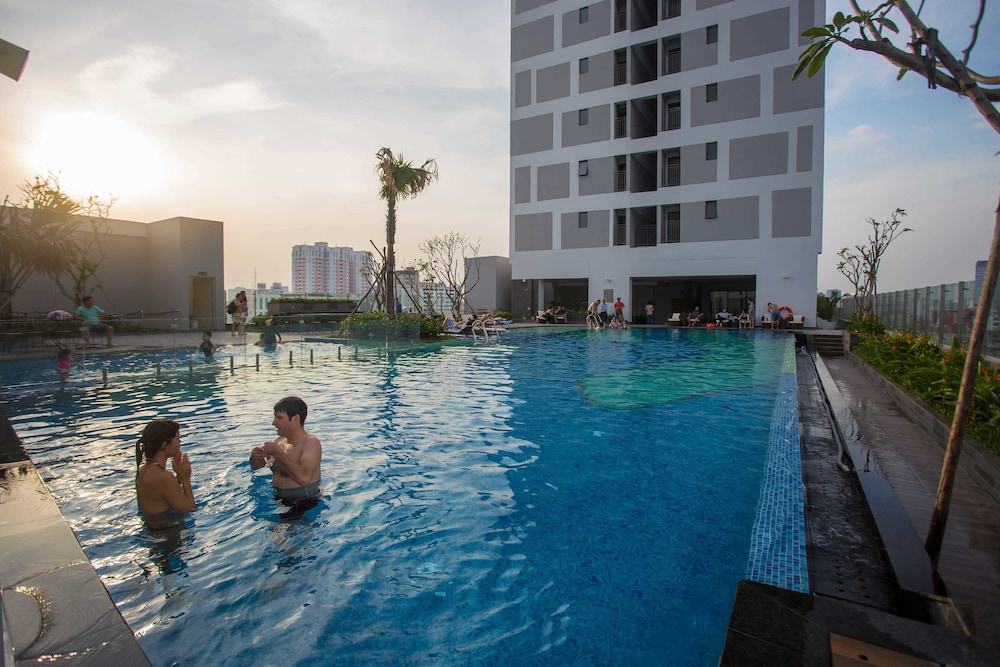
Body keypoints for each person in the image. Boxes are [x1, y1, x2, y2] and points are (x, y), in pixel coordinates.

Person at [250, 396, 322, 503]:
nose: (274, 423)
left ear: (295, 419)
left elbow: (304, 480)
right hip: (276, 496)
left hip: (303, 500)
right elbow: (256, 467)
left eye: (279, 418)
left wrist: (279, 454)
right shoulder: (278, 442)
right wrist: (255, 457)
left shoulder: (310, 443)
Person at [135, 419, 196, 523]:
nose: (180, 442)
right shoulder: (163, 476)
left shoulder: (142, 470)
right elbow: (189, 508)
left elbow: (163, 494)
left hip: (153, 528)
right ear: (164, 445)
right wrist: (186, 479)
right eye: (177, 438)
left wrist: (179, 477)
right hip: (169, 530)